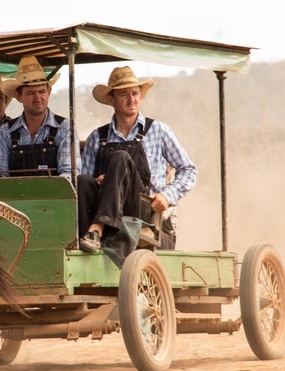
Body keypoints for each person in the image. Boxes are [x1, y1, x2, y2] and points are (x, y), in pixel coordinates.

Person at [78, 66, 197, 255]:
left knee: (120, 157)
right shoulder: (97, 137)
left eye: (135, 93)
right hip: (110, 211)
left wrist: (167, 195)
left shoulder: (159, 131)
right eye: (124, 94)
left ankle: (96, 229)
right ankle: (84, 240)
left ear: (141, 97)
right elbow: (85, 184)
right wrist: (100, 181)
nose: (131, 99)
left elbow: (189, 170)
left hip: (146, 214)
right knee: (83, 181)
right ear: (111, 100)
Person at [0, 56, 78, 179]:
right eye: (30, 93)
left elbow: (68, 174)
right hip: (16, 196)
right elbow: (0, 175)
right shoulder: (6, 131)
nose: (38, 98)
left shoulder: (64, 128)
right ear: (18, 96)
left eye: (42, 91)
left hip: (55, 196)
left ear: (49, 91)